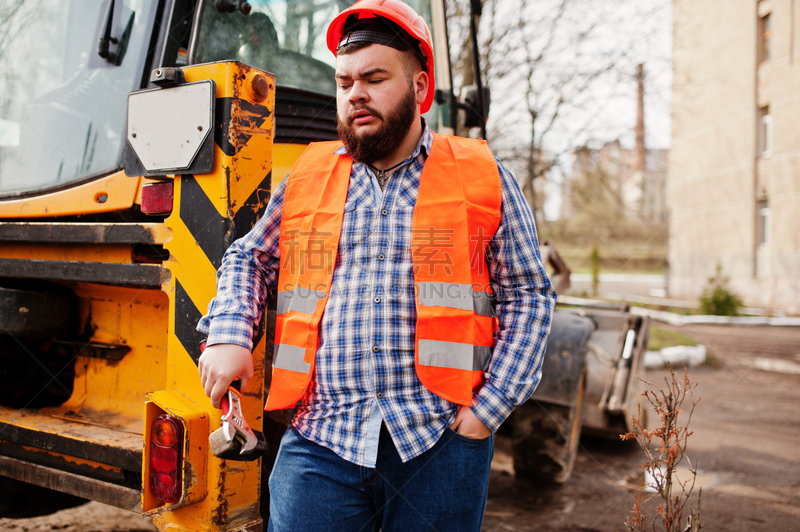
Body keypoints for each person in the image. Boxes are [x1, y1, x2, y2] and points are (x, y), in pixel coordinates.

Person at [197, 1, 555, 530]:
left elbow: (528, 295)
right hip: (320, 443)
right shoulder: (308, 176)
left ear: (421, 87)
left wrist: (485, 413)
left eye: (374, 77)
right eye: (344, 82)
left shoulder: (481, 176)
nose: (354, 94)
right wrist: (229, 331)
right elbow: (249, 257)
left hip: (439, 444)